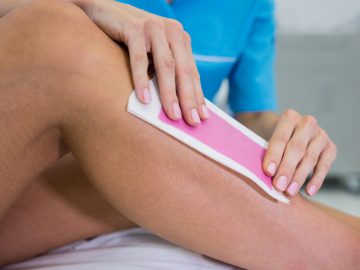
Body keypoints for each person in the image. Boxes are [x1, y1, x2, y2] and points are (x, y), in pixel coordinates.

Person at [0, 0, 359, 269]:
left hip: (124, 174)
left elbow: (254, 115)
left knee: (148, 163)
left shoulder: (249, 5)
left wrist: (290, 134)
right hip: (29, 169)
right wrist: (90, 7)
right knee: (52, 31)